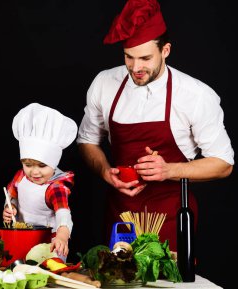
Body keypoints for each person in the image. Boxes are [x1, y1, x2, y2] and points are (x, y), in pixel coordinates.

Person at [76, 0, 234, 250]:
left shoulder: (195, 95)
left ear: (166, 51)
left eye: (145, 58)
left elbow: (223, 164)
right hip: (121, 217)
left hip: (171, 217)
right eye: (129, 57)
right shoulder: (105, 83)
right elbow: (87, 141)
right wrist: (105, 170)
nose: (136, 67)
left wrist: (169, 170)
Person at [3, 103, 78, 257]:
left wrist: (62, 237)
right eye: (28, 165)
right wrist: (10, 208)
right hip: (22, 239)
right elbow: (11, 196)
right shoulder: (20, 176)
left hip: (49, 244)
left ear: (54, 163)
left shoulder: (55, 187)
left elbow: (63, 214)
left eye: (42, 166)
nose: (34, 171)